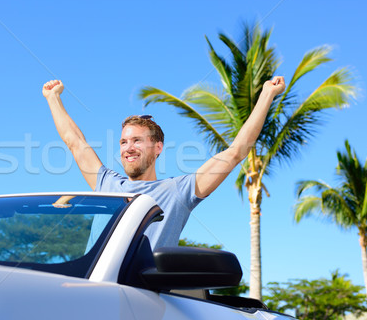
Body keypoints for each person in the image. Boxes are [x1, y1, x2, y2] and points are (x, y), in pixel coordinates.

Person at [42, 77, 286, 249]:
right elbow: (74, 142)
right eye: (124, 142)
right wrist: (53, 98)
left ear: (157, 147)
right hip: (94, 292)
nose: (128, 147)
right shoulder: (107, 184)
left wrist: (266, 95)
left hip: (144, 301)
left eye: (137, 140)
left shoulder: (178, 192)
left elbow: (235, 153)